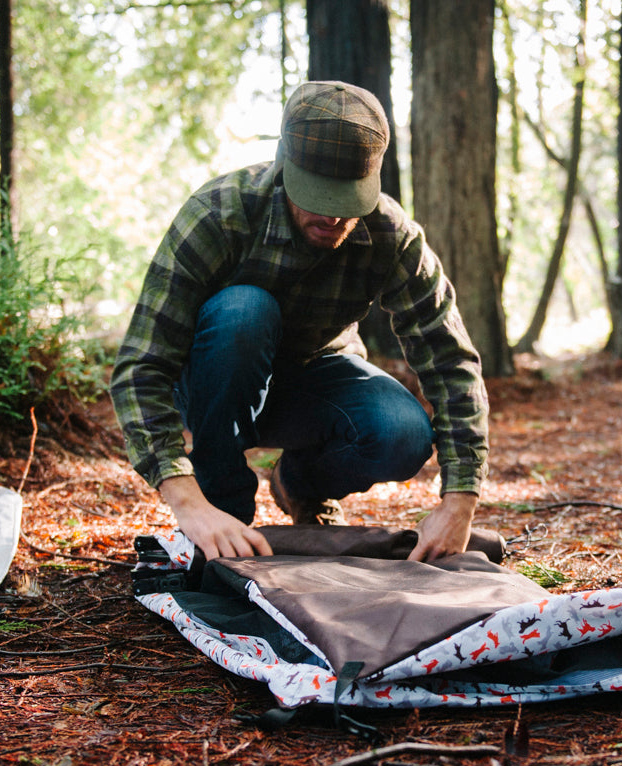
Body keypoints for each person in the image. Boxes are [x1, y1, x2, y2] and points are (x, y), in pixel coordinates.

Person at [110, 81, 489, 563]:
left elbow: (449, 359)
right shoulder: (219, 215)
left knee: (403, 432)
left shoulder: (392, 235)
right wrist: (189, 502)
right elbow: (140, 367)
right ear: (284, 165)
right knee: (245, 311)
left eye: (345, 199)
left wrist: (460, 500)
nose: (331, 216)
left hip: (317, 383)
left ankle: (301, 484)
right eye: (317, 195)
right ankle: (222, 507)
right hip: (214, 383)